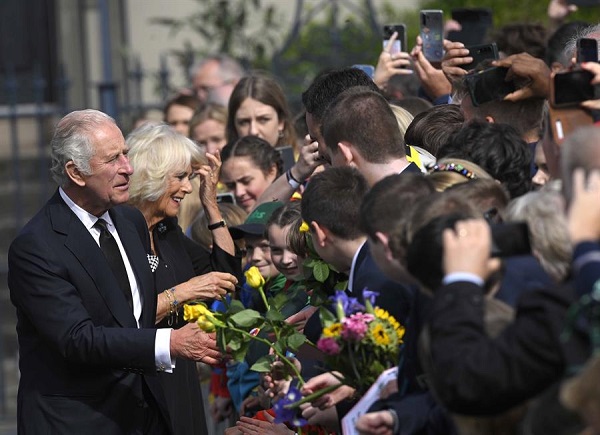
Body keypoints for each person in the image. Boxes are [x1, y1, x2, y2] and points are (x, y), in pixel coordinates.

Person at [7, 109, 227, 434]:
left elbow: (133, 315)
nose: (128, 168)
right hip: (78, 422)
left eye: (125, 154)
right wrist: (169, 343)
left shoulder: (129, 222)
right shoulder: (38, 245)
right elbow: (78, 338)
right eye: (113, 160)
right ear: (76, 173)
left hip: (143, 413)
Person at [320, 86, 421, 185]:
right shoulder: (433, 183)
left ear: (346, 155)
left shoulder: (388, 200)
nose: (332, 171)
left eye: (331, 160)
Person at [226, 74, 297, 151]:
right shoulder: (221, 162)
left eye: (263, 120)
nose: (253, 131)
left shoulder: (304, 161)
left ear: (281, 122)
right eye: (244, 122)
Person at [220, 136, 283, 212]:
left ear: (271, 172)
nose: (239, 193)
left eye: (246, 181)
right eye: (231, 185)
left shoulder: (295, 215)